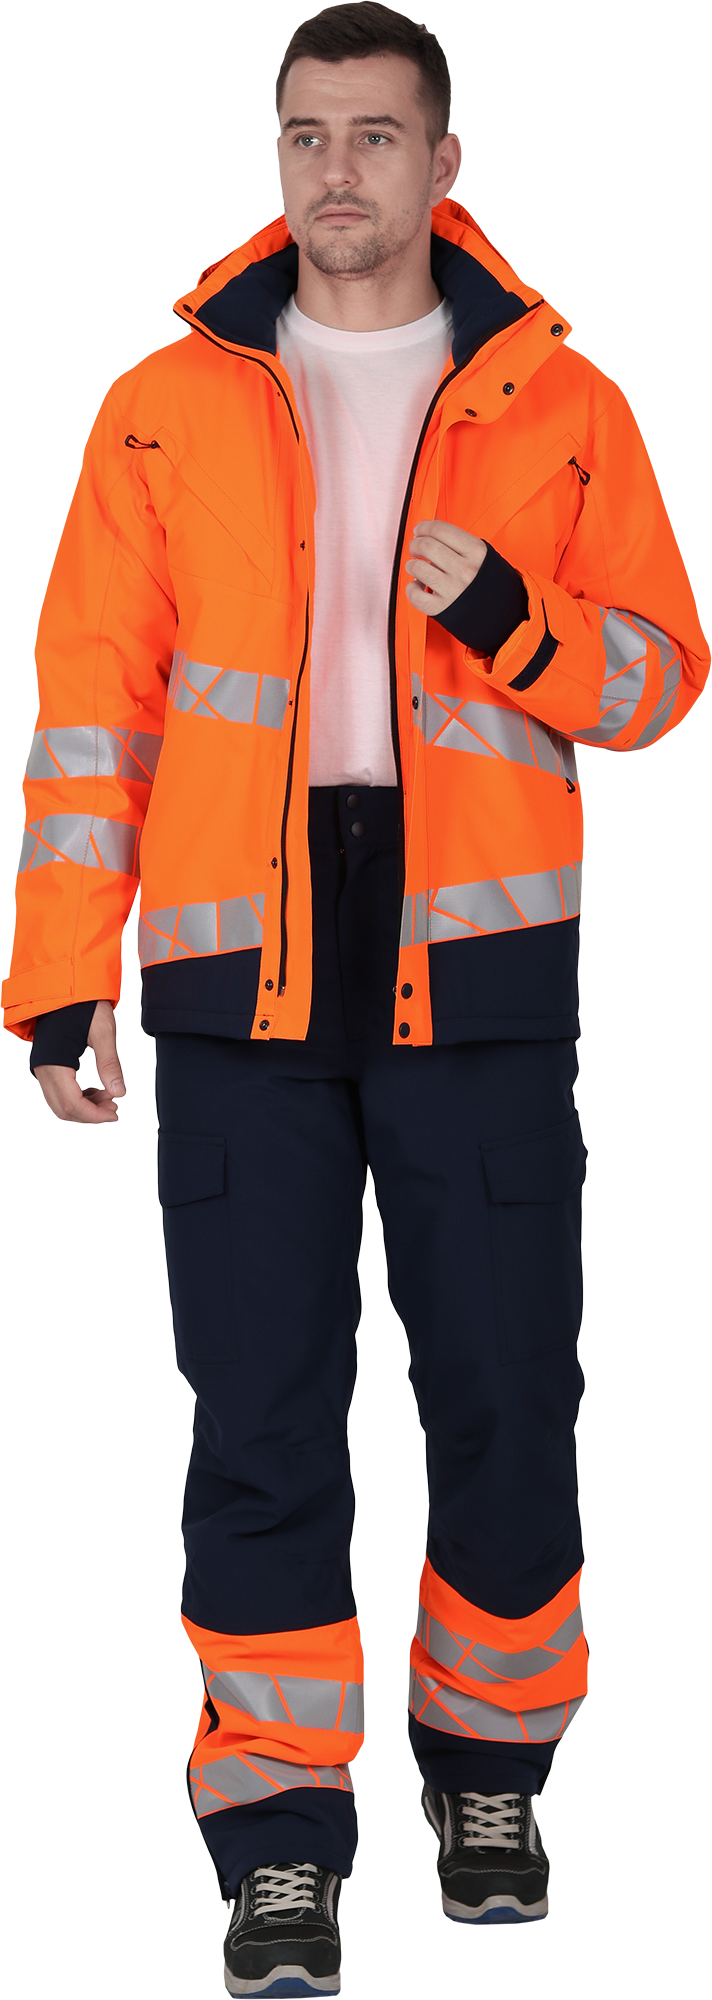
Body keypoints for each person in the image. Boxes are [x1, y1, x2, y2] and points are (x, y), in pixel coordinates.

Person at [3, 3, 709, 1994]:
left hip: (477, 966)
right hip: (239, 966)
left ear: (442, 161)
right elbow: (91, 715)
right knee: (261, 1412)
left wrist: (511, 618)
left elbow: (662, 676)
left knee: (507, 1390)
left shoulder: (560, 403)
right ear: (280, 154)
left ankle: (489, 1774)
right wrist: (60, 979)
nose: (336, 168)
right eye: (307, 132)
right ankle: (277, 1831)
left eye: (376, 134)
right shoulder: (162, 407)